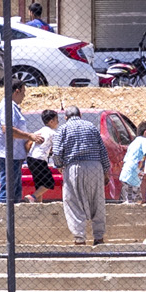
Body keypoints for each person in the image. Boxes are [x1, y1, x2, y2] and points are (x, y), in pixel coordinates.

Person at [52, 105, 109, 246]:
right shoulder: (91, 127)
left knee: (73, 202)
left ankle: (79, 238)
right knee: (98, 201)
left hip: (73, 167)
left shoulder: (63, 129)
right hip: (95, 166)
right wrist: (105, 170)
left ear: (65, 117)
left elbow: (57, 152)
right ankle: (99, 237)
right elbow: (103, 150)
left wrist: (59, 166)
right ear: (80, 115)